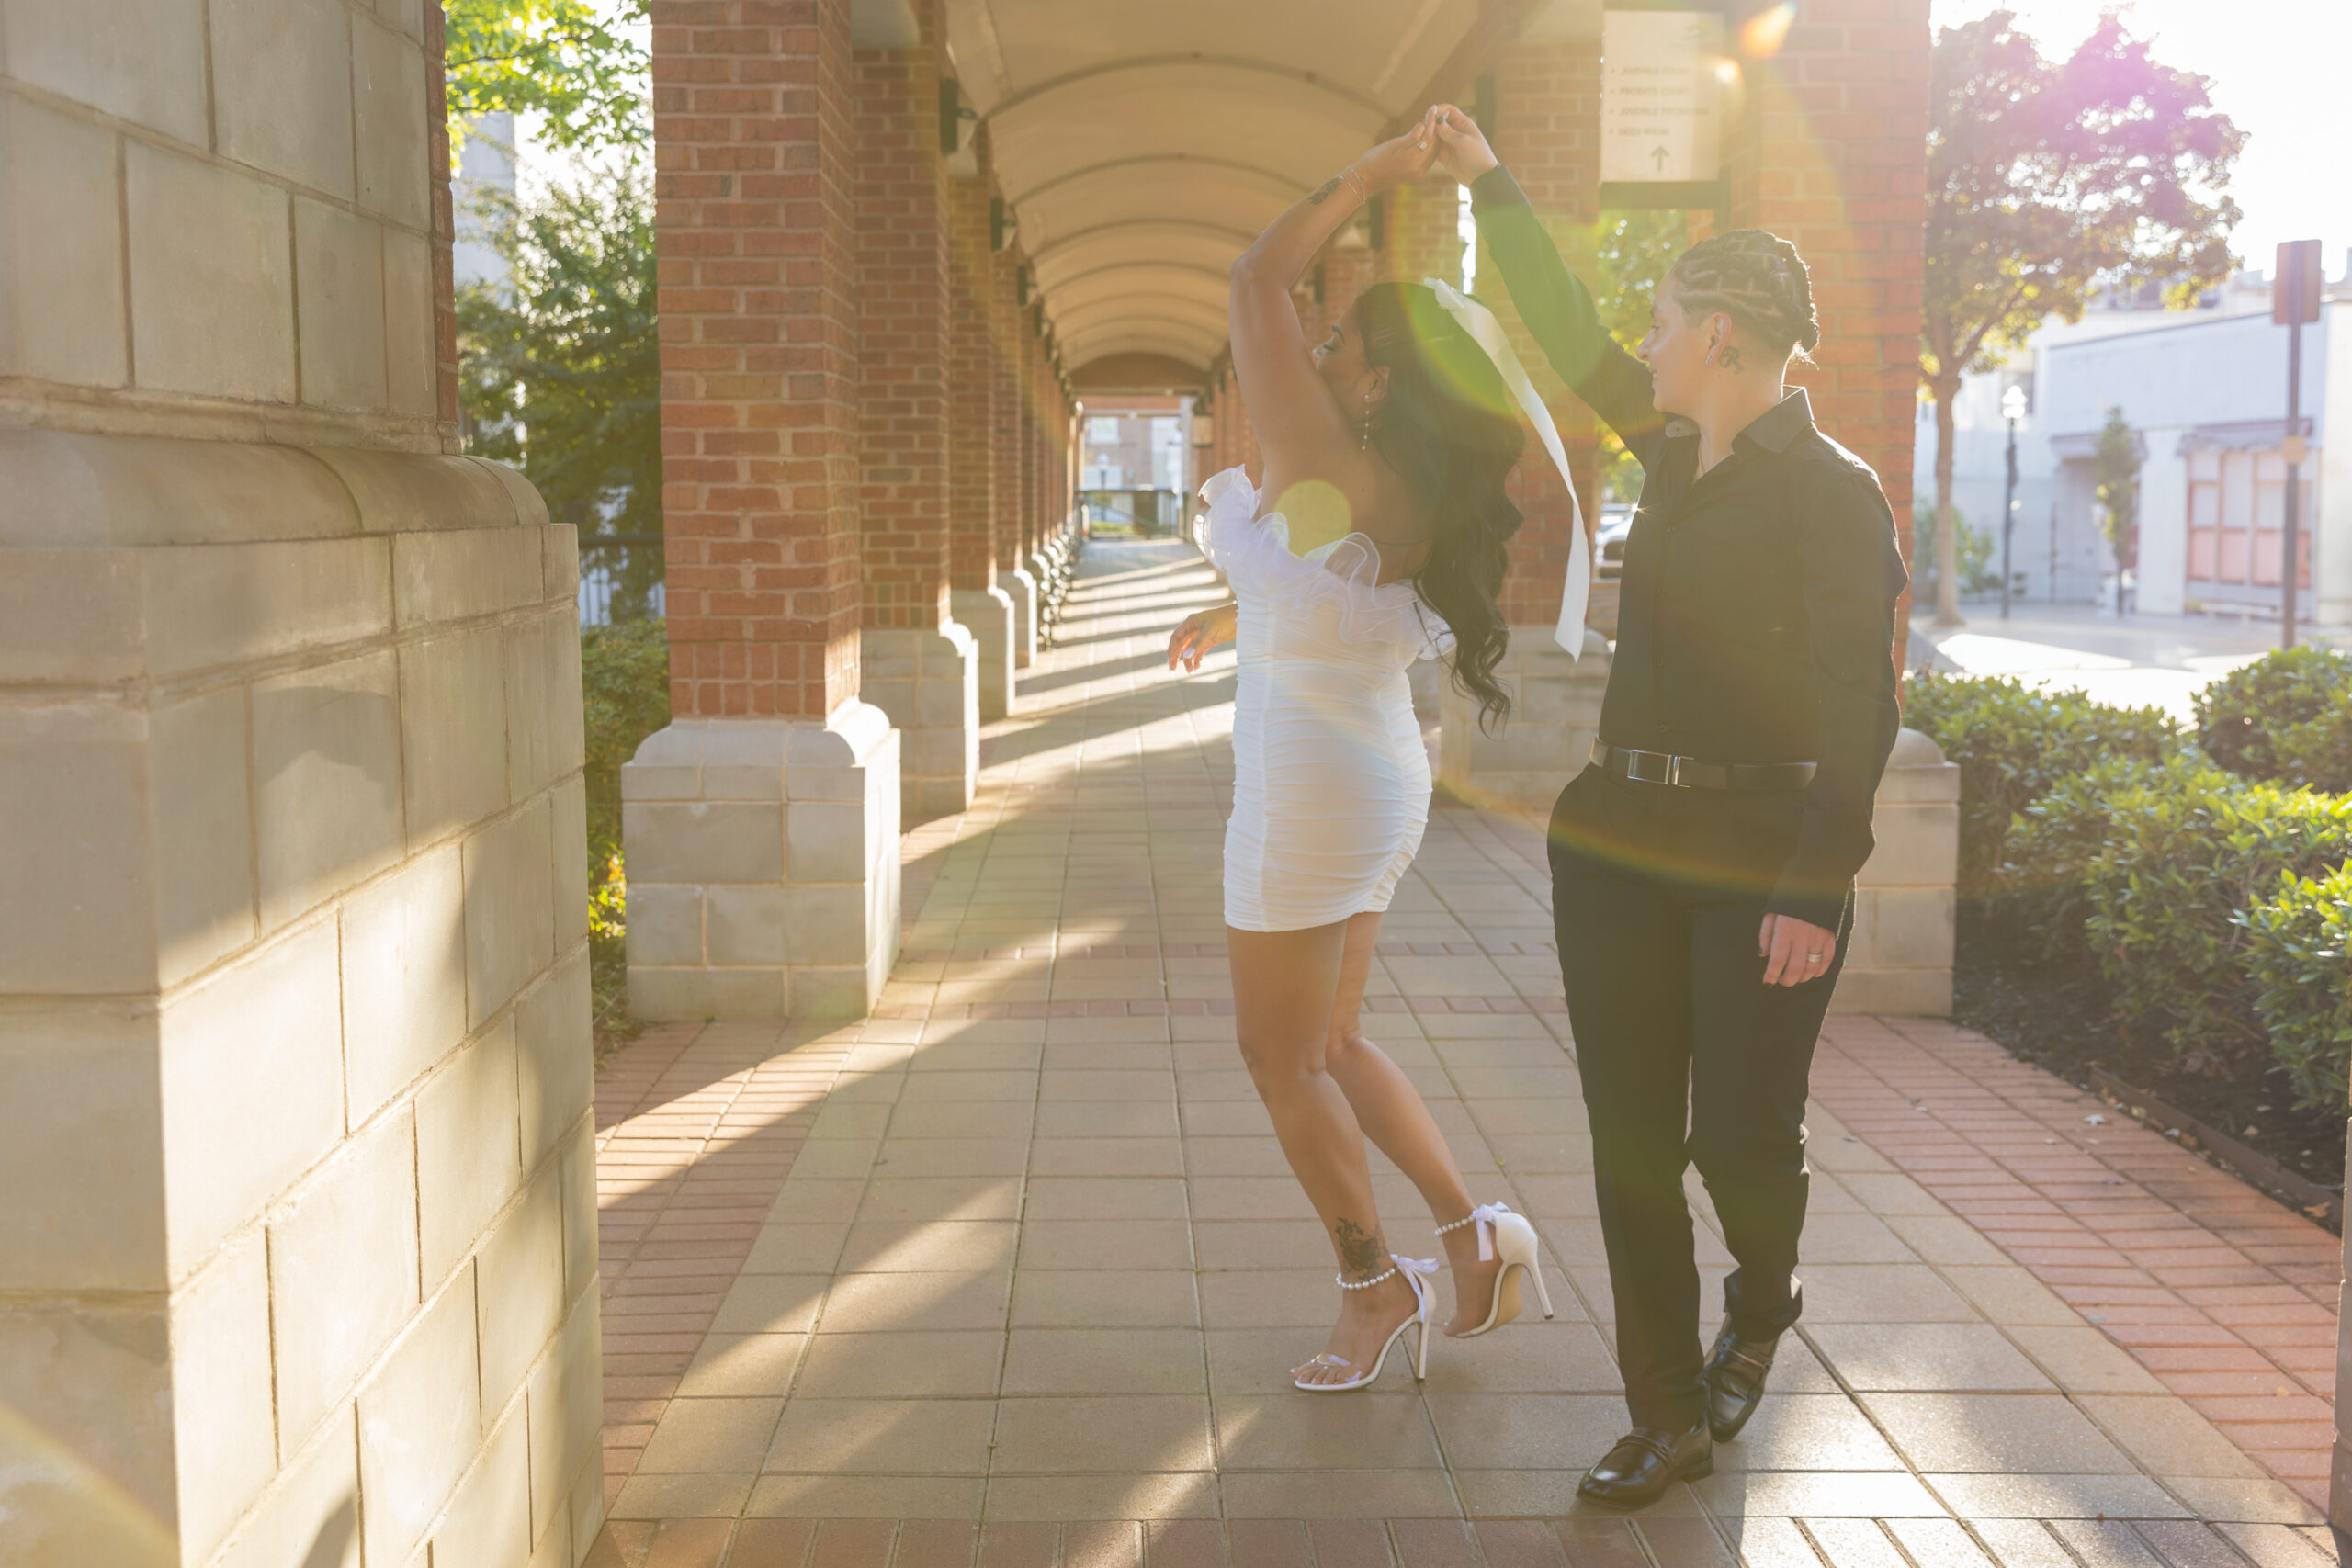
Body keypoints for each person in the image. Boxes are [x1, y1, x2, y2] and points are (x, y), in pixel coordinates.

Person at [1429, 106, 1908, 1503]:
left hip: (1761, 859)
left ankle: (1765, 1299)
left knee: (1741, 1139)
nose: (1641, 341)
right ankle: (1667, 1406)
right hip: (1620, 845)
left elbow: (1857, 705)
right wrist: (1492, 182)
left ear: (1722, 339)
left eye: (1664, 319)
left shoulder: (1835, 496)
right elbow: (1566, 327)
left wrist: (1818, 884)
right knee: (1633, 1136)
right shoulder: (1672, 451)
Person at [1164, 126, 1573, 1391]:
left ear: (1387, 380)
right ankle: (1474, 1237)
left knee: (1277, 1058)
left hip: (1303, 792)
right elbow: (1336, 589)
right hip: (1374, 771)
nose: (1319, 352)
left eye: (1342, 342)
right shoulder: (1403, 486)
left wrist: (1379, 173)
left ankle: (1373, 1284)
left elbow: (1252, 281)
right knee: (1332, 1043)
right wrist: (1242, 610)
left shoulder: (1324, 452)